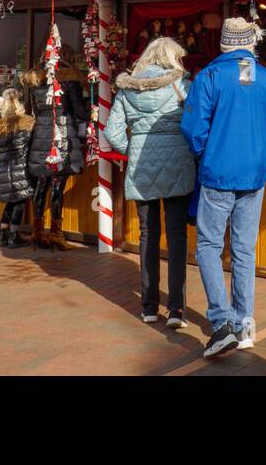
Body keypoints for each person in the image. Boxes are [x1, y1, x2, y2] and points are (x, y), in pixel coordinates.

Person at [180, 17, 266, 358]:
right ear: (250, 44)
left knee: (209, 247)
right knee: (244, 249)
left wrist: (206, 153)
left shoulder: (210, 77)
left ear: (224, 44)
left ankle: (222, 322)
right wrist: (263, 155)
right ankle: (243, 322)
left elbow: (193, 127)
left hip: (217, 173)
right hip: (254, 175)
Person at [105, 37, 195, 327]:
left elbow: (113, 132)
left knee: (148, 235)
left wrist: (131, 152)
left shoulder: (126, 90)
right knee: (177, 236)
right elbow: (195, 126)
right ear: (171, 59)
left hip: (141, 166)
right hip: (178, 164)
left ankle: (148, 306)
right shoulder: (181, 87)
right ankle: (177, 310)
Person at [24, 63, 88, 251]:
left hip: (40, 137)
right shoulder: (70, 85)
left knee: (42, 185)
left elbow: (34, 112)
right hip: (61, 135)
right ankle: (56, 234)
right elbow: (80, 112)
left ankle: (37, 232)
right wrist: (92, 110)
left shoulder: (37, 86)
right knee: (57, 186)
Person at [0, 88, 35, 248]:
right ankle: (13, 236)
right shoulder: (25, 126)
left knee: (10, 202)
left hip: (2, 171)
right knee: (19, 203)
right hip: (20, 169)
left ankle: (2, 233)